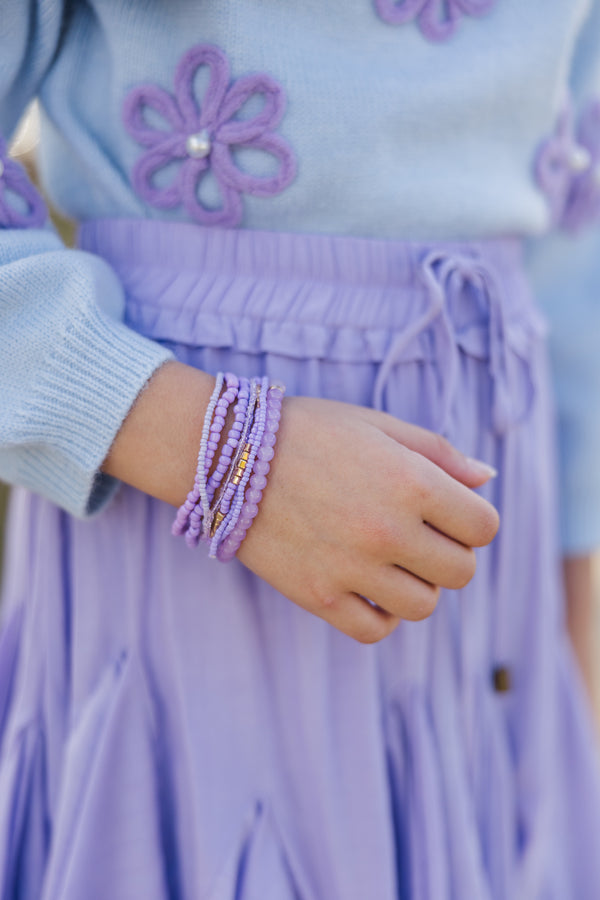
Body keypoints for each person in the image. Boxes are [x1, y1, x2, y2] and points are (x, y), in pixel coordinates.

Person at [1, 1, 600, 897]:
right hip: (184, 566)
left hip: (489, 636)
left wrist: (571, 673)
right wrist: (228, 455)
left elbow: (567, 237)